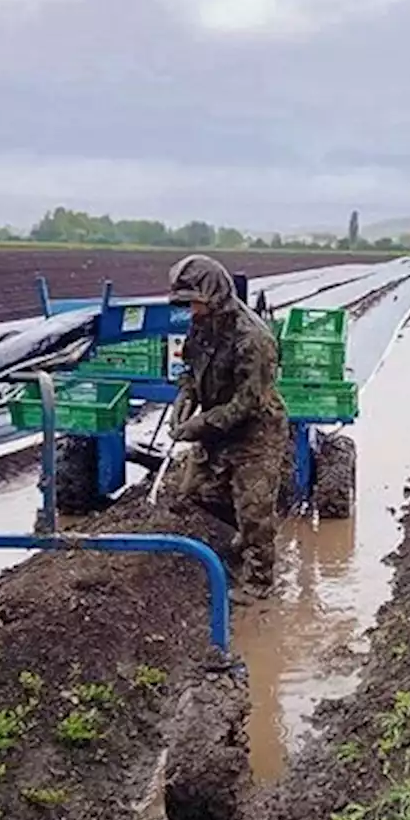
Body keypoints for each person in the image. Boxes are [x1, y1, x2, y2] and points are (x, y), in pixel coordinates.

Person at [166, 254, 288, 598]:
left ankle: (258, 583)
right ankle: (246, 536)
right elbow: (190, 369)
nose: (192, 311)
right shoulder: (202, 325)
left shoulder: (253, 339)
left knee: (255, 509)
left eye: (195, 303)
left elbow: (247, 403)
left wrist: (200, 424)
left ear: (215, 296)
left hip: (255, 431)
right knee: (195, 493)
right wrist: (185, 399)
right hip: (217, 428)